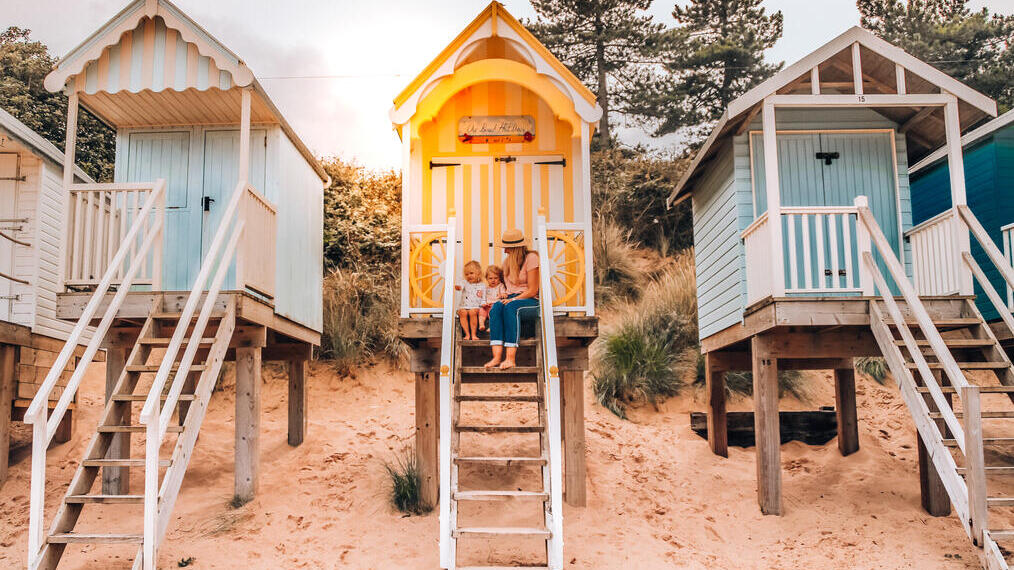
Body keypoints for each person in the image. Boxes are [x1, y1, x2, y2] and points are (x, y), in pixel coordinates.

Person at [485, 229, 540, 369]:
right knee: (497, 307)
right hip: (511, 298)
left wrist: (514, 300)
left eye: (506, 248)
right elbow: (505, 286)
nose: (504, 251)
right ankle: (497, 357)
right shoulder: (507, 262)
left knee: (510, 308)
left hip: (530, 300)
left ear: (515, 248)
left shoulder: (531, 258)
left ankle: (510, 358)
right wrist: (504, 295)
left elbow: (533, 289)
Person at [455, 260, 484, 341]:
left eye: (471, 273)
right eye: (466, 274)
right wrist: (458, 287)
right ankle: (467, 334)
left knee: (472, 312)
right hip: (464, 305)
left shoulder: (482, 285)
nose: (469, 276)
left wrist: (483, 305)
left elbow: (483, 297)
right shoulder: (465, 282)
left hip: (475, 306)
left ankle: (473, 334)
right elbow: (461, 286)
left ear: (478, 273)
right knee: (462, 312)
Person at [479, 264, 506, 332]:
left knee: (492, 313)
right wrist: (484, 304)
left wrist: (502, 294)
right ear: (487, 279)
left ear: (499, 278)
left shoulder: (500, 286)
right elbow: (483, 298)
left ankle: (492, 326)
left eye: (495, 278)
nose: (493, 280)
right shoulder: (486, 288)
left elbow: (504, 294)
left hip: (495, 305)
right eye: (490, 278)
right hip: (487, 305)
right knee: (481, 311)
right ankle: (481, 324)